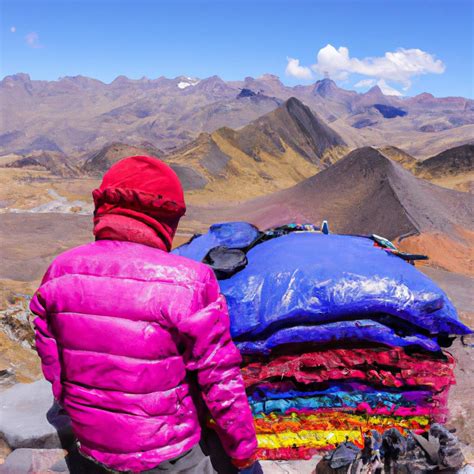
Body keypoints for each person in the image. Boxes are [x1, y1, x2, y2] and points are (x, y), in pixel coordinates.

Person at [30, 155, 257, 473]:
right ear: (167, 217)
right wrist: (243, 451)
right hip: (167, 454)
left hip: (92, 445)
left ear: (105, 206)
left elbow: (54, 369)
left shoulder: (60, 270)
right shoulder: (189, 280)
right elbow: (219, 378)